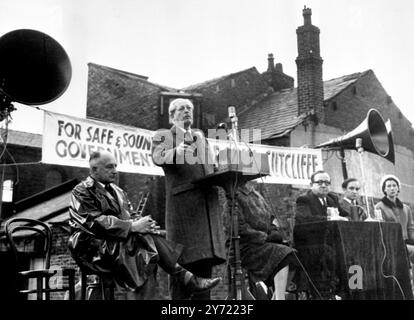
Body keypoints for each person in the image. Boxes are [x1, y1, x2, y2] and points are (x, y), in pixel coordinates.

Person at [68, 151, 221, 299]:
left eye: (115, 166)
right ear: (94, 169)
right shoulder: (82, 190)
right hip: (91, 247)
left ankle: (184, 278)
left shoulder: (118, 191)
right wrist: (133, 227)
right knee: (146, 244)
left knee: (148, 247)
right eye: (109, 167)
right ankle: (186, 278)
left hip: (118, 242)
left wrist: (145, 225)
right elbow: (92, 222)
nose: (115, 171)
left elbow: (131, 215)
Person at [151, 98, 226, 300]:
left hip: (206, 212)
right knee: (182, 273)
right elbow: (158, 157)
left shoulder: (200, 137)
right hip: (184, 213)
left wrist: (219, 169)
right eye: (181, 109)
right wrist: (176, 152)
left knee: (204, 275)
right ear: (172, 115)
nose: (186, 111)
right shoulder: (164, 135)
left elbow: (210, 166)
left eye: (189, 108)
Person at [223, 181, 299, 300]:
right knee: (284, 255)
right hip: (243, 247)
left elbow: (271, 218)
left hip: (262, 245)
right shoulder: (233, 199)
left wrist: (274, 231)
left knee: (294, 256)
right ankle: (280, 298)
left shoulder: (257, 195)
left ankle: (277, 296)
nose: (248, 182)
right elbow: (239, 228)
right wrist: (264, 237)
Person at [375, 174, 414, 263]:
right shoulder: (379, 207)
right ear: (384, 189)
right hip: (390, 243)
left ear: (398, 188)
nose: (392, 188)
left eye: (394, 186)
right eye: (389, 186)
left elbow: (410, 229)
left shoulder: (406, 208)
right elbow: (381, 228)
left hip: (406, 242)